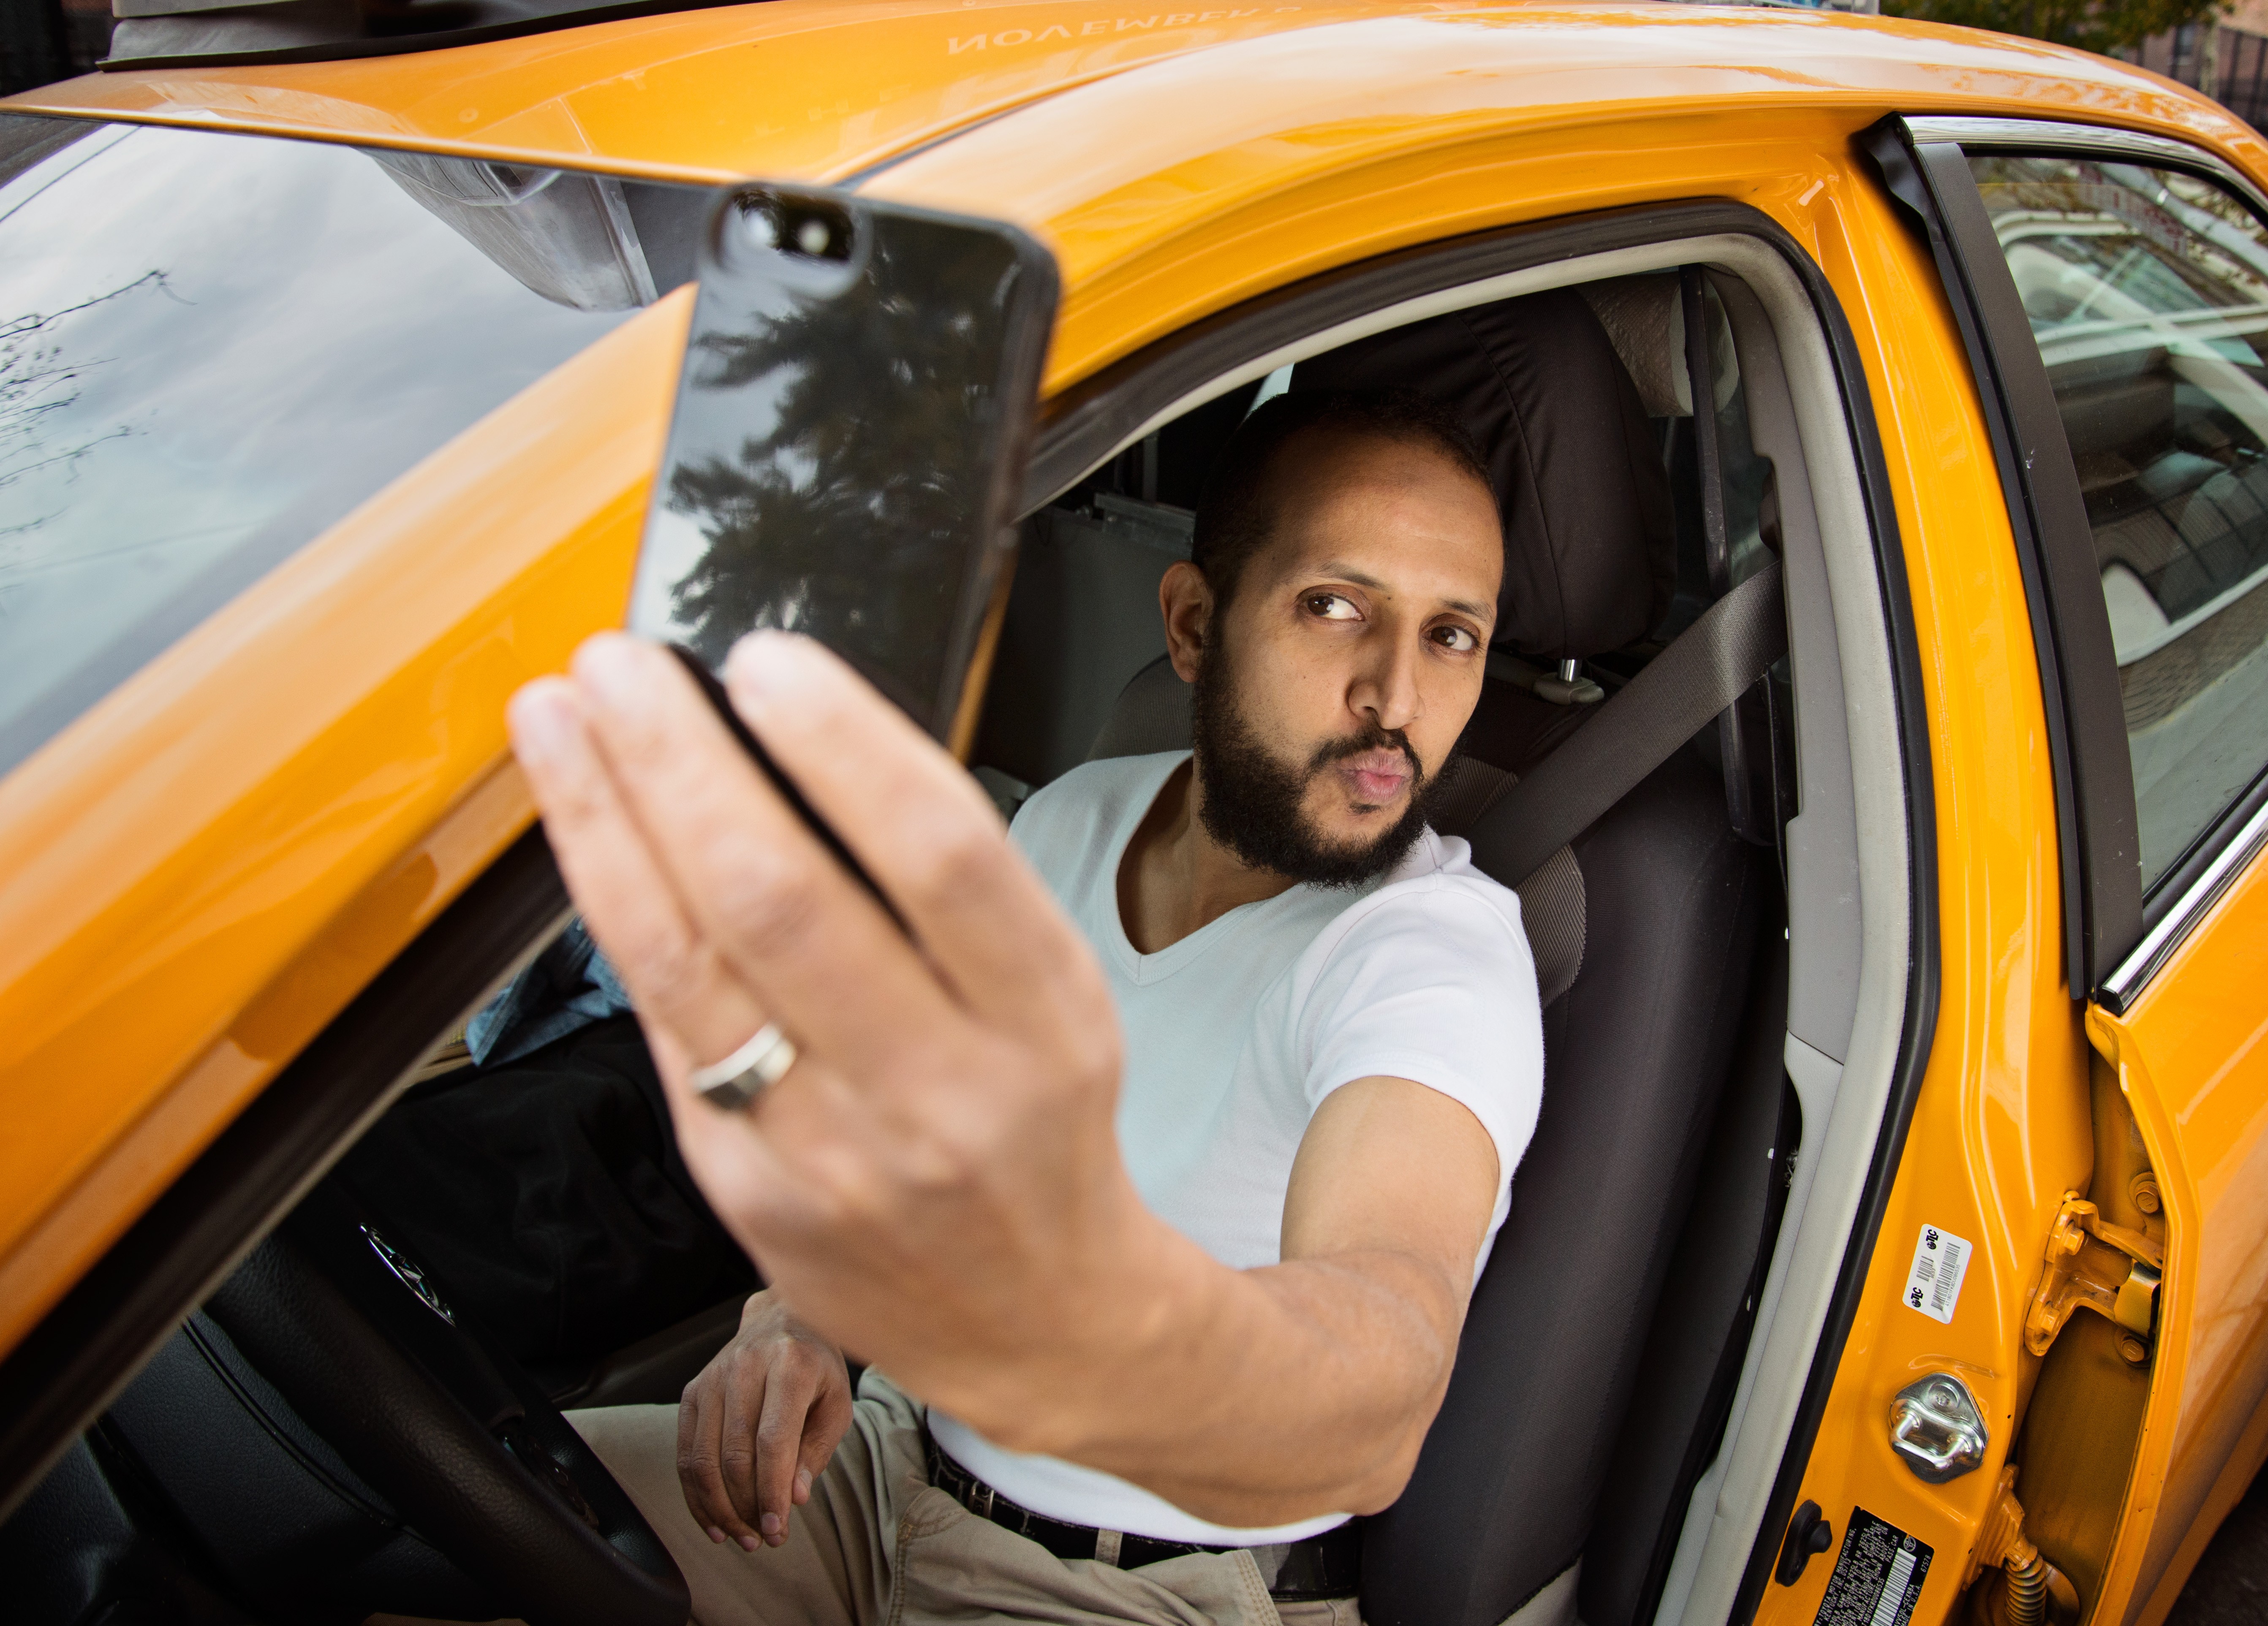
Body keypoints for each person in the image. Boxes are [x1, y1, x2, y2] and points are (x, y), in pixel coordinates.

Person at [509, 388, 1545, 1626]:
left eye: (1451, 635)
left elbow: (1381, 1368)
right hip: (876, 1470)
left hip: (1135, 1594)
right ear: (1193, 623)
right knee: (427, 1530)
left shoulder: (1432, 955)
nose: (1396, 696)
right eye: (1335, 606)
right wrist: (799, 1318)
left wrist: (1074, 1340)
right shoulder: (1072, 817)